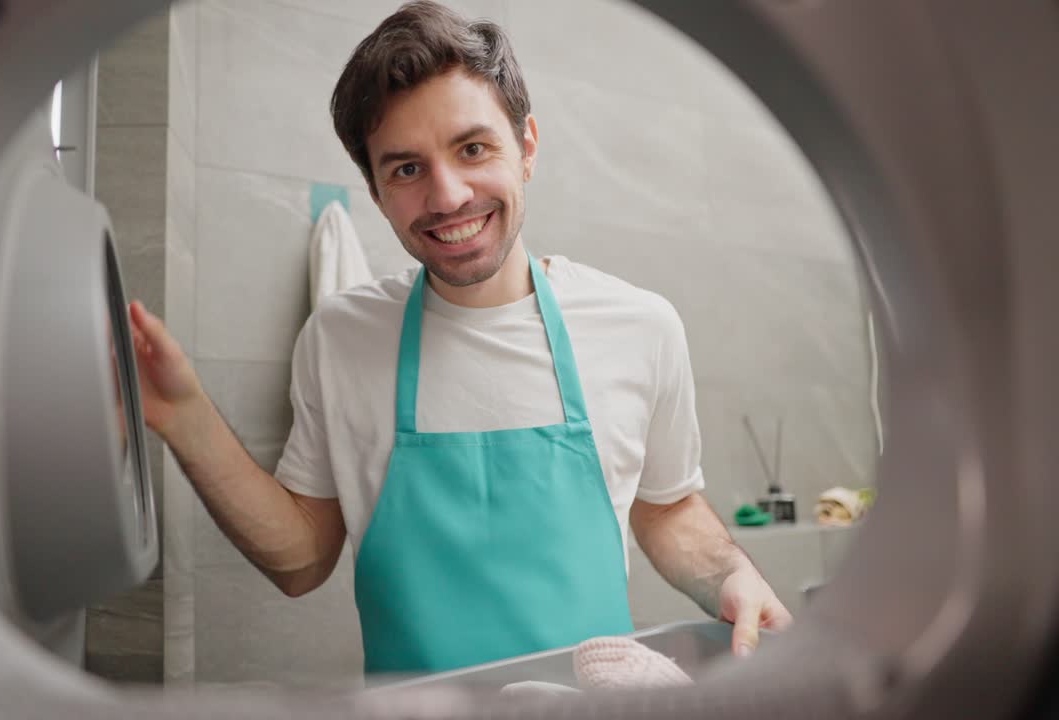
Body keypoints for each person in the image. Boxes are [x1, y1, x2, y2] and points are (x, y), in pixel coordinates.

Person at [128, 0, 791, 675]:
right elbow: (301, 560)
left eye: (472, 148)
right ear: (376, 189)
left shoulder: (640, 327)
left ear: (526, 146)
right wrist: (186, 421)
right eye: (406, 169)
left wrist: (730, 574)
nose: (446, 197)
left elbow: (667, 506)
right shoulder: (340, 337)